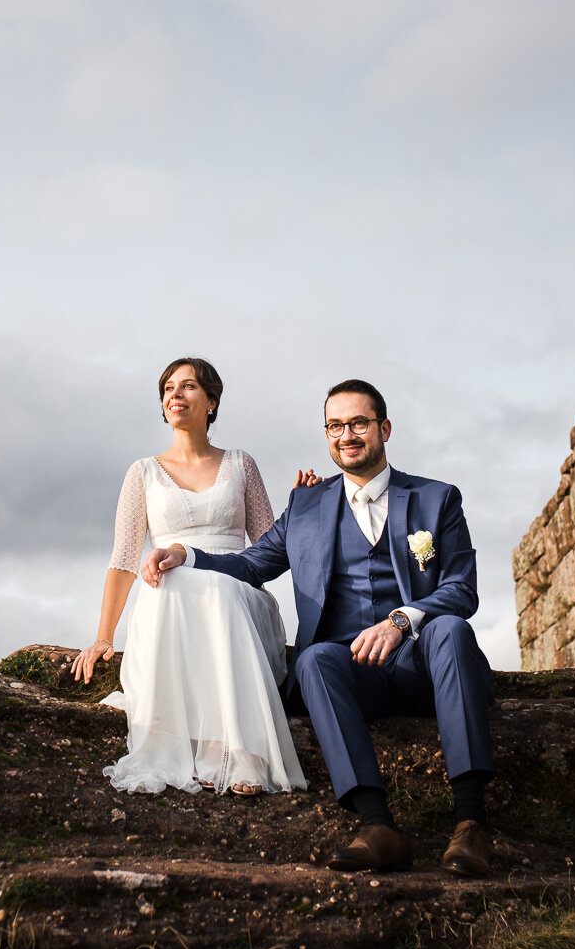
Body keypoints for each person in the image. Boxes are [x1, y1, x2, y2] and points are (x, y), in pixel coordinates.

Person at [143, 379, 496, 876]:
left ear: (384, 429)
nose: (346, 434)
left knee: (451, 630)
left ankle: (470, 824)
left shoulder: (436, 499)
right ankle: (377, 825)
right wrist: (187, 554)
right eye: (335, 425)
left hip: (425, 663)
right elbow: (253, 564)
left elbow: (461, 588)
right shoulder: (305, 507)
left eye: (358, 423)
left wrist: (400, 621)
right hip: (354, 673)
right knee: (312, 658)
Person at [70, 357, 307, 796]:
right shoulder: (142, 472)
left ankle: (241, 752)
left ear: (212, 401)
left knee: (218, 586)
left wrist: (303, 508)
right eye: (168, 388)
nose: (175, 394)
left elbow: (272, 546)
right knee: (173, 582)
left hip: (236, 587)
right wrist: (104, 636)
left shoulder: (241, 464)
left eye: (189, 386)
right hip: (171, 587)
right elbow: (124, 559)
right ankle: (185, 744)